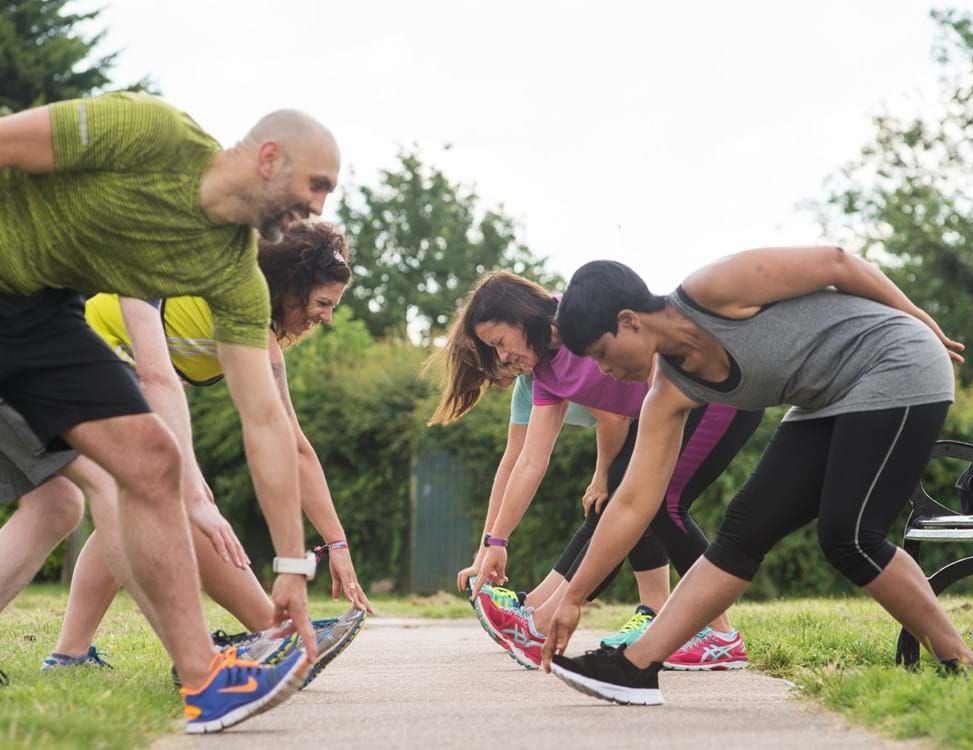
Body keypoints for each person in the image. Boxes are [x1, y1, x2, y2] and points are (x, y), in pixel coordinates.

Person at [0, 91, 338, 732]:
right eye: (316, 184)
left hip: (40, 312)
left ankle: (204, 681)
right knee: (65, 500)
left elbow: (265, 421)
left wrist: (293, 565)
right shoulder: (150, 132)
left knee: (153, 460)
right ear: (270, 157)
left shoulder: (236, 274)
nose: (320, 206)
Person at [542, 250, 973, 705]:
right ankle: (635, 667)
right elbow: (632, 502)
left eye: (601, 353)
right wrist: (574, 596)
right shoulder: (668, 393)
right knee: (742, 533)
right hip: (828, 397)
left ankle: (961, 666)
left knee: (850, 537)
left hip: (897, 361)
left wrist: (917, 318)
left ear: (629, 320)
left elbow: (835, 263)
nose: (604, 370)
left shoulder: (712, 290)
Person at [29, 222, 371, 686]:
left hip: (93, 367)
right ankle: (275, 632)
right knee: (169, 502)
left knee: (126, 506)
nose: (326, 318)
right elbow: (293, 447)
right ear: (288, 287)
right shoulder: (242, 314)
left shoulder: (249, 321)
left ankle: (69, 654)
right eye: (322, 303)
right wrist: (336, 544)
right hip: (81, 362)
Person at [432, 271, 761, 669]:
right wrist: (496, 542)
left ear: (522, 317)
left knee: (658, 503)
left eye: (500, 343)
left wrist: (604, 475)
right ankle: (548, 617)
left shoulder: (578, 323)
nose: (501, 357)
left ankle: (719, 635)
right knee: (631, 503)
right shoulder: (545, 373)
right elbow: (529, 461)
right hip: (667, 408)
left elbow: (613, 418)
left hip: (715, 395)